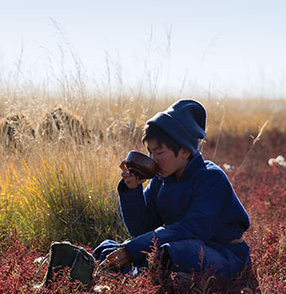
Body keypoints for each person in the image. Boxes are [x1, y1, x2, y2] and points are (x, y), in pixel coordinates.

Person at [93, 99, 251, 279]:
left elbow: (192, 229)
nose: (153, 159)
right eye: (150, 152)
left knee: (175, 252)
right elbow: (141, 230)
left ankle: (136, 275)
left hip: (224, 254)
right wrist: (132, 191)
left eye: (159, 153)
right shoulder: (161, 180)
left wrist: (134, 249)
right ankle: (130, 275)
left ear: (185, 151)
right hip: (177, 247)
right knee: (110, 248)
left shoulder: (211, 178)